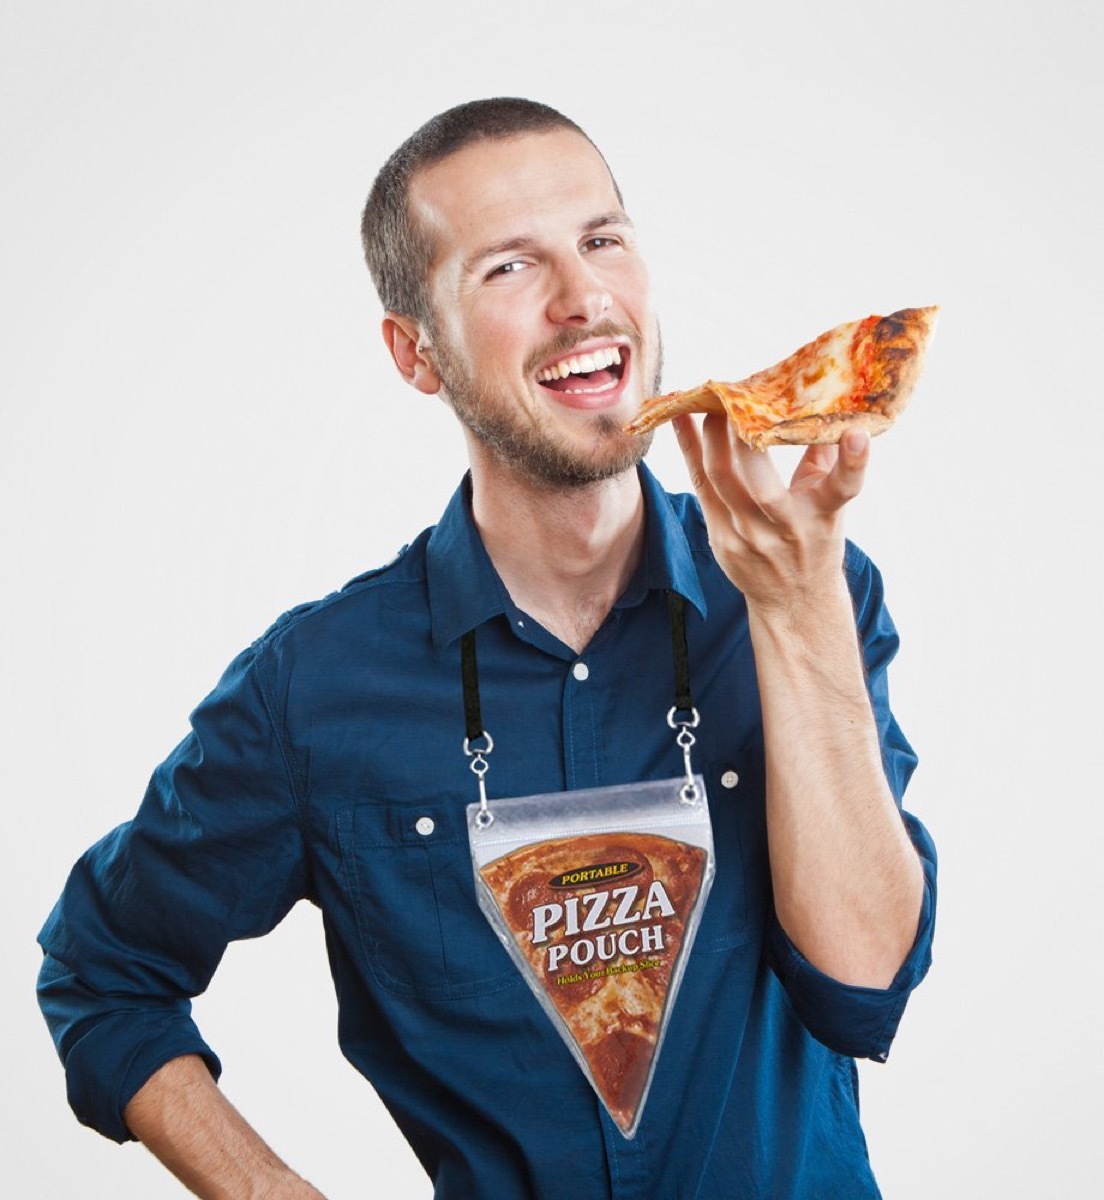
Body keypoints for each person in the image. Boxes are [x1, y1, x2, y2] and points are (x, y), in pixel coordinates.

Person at [37, 98, 936, 1199]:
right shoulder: (315, 687)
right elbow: (102, 970)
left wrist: (797, 617)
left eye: (602, 239)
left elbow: (865, 989)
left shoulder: (809, 590)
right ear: (417, 352)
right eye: (509, 269)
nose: (583, 297)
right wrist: (263, 1187)